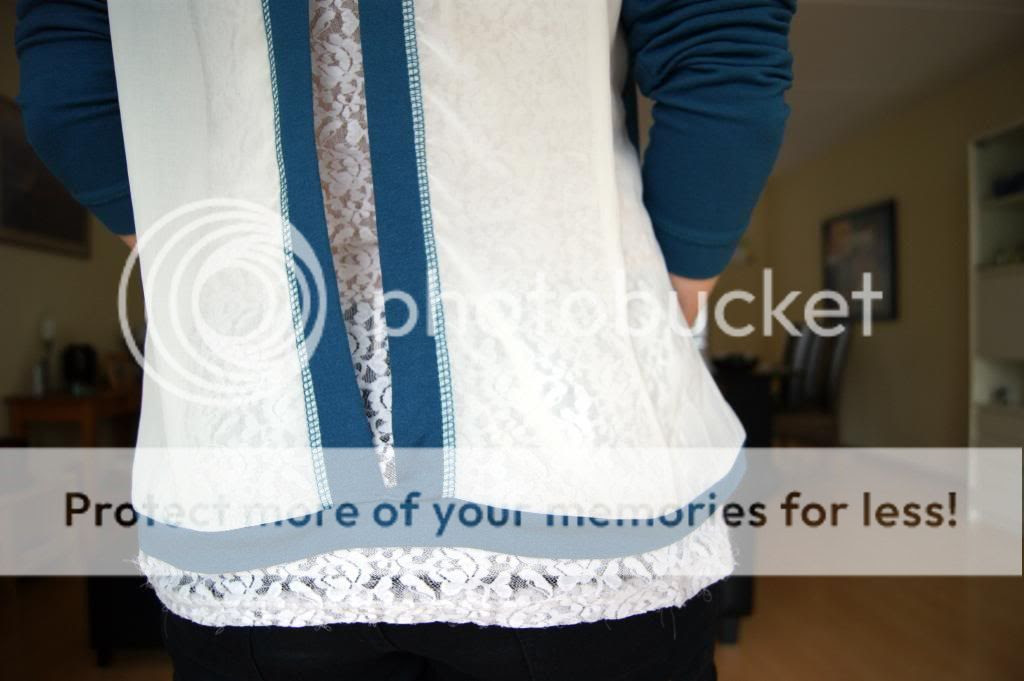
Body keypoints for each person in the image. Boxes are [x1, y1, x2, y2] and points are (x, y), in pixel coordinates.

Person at [16, 0, 794, 678]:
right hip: (574, 453)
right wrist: (660, 297)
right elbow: (722, 51)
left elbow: (66, 92)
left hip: (252, 473)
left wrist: (203, 265)